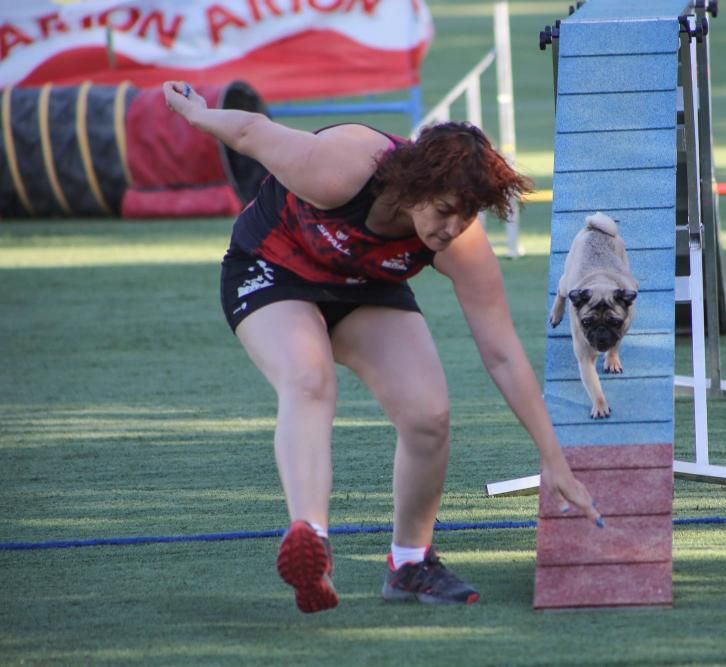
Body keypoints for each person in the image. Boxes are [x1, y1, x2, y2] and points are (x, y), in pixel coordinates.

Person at [162, 81, 602, 612]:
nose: (454, 227)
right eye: (444, 210)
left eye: (468, 214)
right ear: (413, 187)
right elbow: (253, 131)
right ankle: (311, 541)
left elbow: (503, 352)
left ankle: (410, 562)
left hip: (362, 288)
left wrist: (552, 459)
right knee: (308, 378)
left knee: (428, 414)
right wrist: (195, 112)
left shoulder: (459, 240)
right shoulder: (343, 166)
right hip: (271, 269)